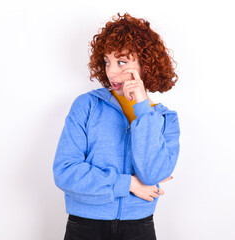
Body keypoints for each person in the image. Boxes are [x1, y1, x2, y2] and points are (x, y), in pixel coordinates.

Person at [53, 12, 180, 240]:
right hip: (85, 228)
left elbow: (152, 174)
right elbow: (65, 172)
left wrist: (142, 107)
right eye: (107, 61)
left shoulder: (165, 119)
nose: (111, 72)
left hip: (138, 229)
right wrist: (129, 183)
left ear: (145, 64)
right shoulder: (87, 106)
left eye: (121, 62)